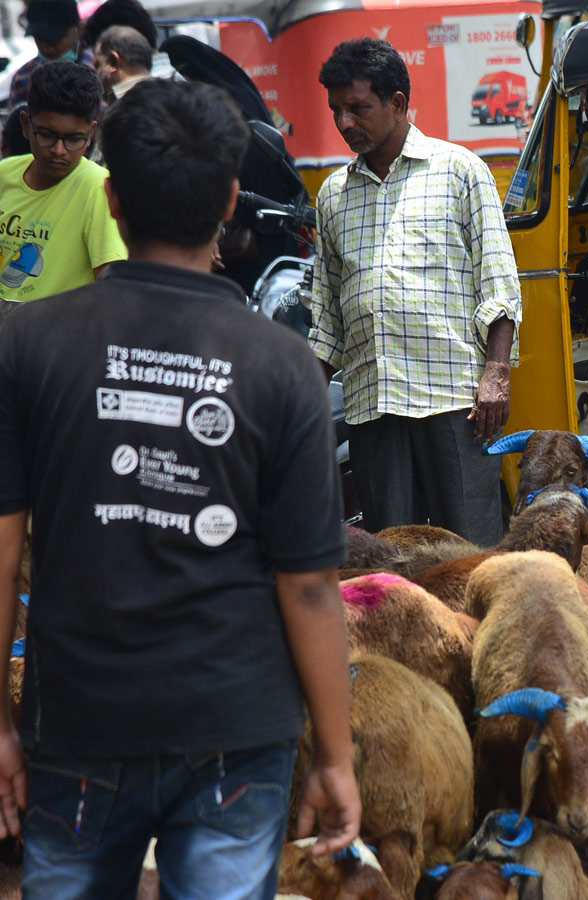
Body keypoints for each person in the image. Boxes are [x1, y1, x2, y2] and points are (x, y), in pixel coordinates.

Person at [0, 78, 361, 898]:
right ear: (232, 201)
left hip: (79, 721)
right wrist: (336, 757)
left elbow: (2, 548)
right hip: (236, 725)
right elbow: (308, 586)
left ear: (114, 197)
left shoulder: (26, 345)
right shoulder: (283, 366)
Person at [309, 37, 521, 541]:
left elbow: (499, 280)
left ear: (398, 103)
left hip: (453, 399)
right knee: (394, 558)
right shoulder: (333, 195)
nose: (344, 123)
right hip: (372, 404)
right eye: (337, 110)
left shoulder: (459, 170)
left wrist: (496, 373)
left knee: (470, 551)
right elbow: (326, 317)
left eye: (358, 109)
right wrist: (303, 399)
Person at [0, 61, 125, 307]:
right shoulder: (4, 174)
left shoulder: (97, 188)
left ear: (90, 134)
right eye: (46, 135)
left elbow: (111, 291)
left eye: (73, 139)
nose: (59, 151)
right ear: (26, 125)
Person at [8, 0, 96, 107]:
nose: (47, 49)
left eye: (55, 39)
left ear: (79, 28)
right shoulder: (23, 79)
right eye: (39, 39)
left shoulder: (103, 71)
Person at [95, 25, 153, 101]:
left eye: (97, 65)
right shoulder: (171, 96)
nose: (96, 73)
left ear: (113, 62)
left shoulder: (123, 107)